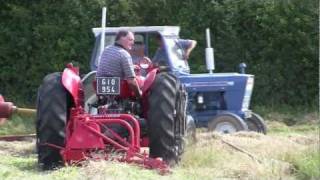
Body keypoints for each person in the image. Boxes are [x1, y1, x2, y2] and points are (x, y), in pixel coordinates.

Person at [97, 30, 142, 98]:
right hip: (119, 92)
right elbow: (131, 81)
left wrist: (130, 67)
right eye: (130, 40)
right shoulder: (124, 54)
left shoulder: (106, 50)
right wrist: (139, 95)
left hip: (101, 87)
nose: (132, 43)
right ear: (121, 38)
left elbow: (111, 67)